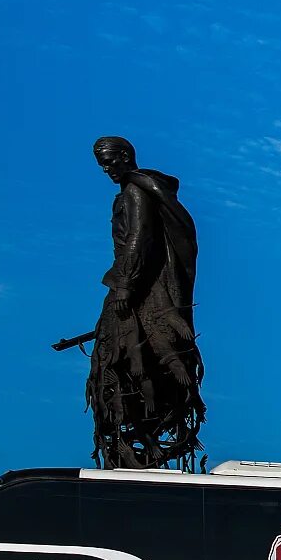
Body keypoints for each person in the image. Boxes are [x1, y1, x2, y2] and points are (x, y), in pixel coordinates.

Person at [87, 136, 205, 469]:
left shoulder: (136, 192)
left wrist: (124, 287)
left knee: (122, 364)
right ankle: (135, 443)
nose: (106, 169)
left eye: (110, 161)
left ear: (125, 156)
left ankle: (143, 439)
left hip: (136, 291)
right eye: (102, 164)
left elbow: (139, 240)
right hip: (132, 286)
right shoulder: (135, 191)